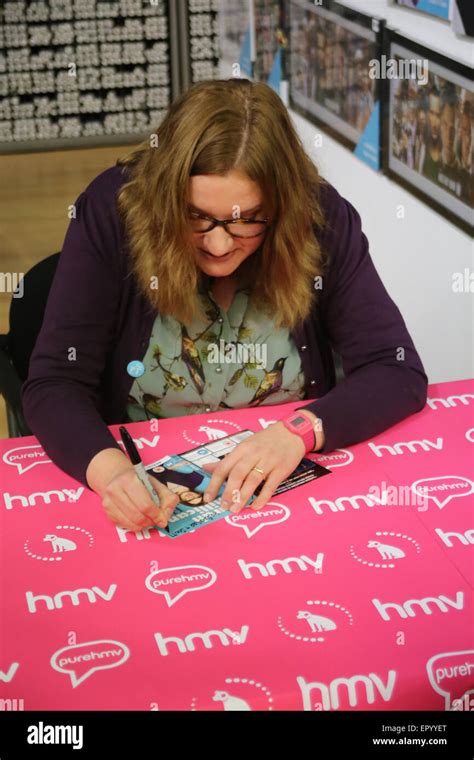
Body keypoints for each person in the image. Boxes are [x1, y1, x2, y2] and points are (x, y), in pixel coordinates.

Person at [21, 78, 428, 533]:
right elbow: (55, 382)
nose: (217, 245)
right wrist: (112, 472)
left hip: (288, 491)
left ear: (282, 205)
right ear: (163, 196)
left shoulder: (321, 219)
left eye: (247, 221)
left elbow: (395, 369)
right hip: (152, 487)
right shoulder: (112, 211)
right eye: (194, 216)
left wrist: (301, 431)